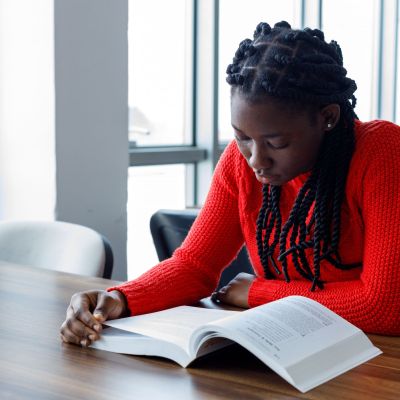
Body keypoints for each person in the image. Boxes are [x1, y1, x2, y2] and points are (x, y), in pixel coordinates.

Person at [60, 21, 400, 347]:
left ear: (328, 117)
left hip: (378, 360)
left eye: (276, 143)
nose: (255, 159)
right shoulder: (240, 162)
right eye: (242, 138)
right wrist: (120, 298)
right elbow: (194, 266)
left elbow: (384, 306)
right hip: (293, 347)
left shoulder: (381, 151)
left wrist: (257, 292)